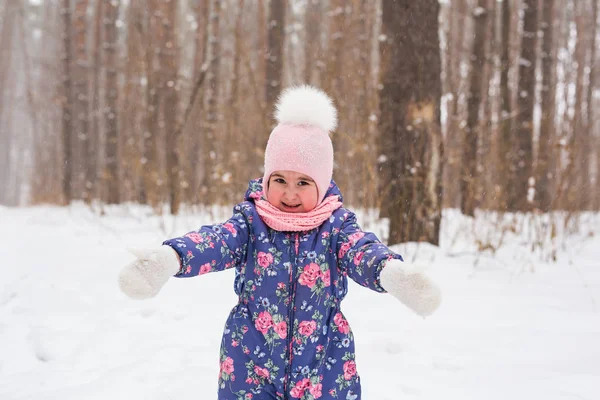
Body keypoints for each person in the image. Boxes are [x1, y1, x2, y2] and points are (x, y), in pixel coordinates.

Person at [119, 85, 442, 400]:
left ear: (322, 183)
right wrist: (170, 258)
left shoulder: (336, 227)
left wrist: (393, 275)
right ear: (266, 178)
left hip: (324, 363)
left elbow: (362, 252)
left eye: (303, 182)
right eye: (280, 180)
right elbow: (214, 242)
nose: (289, 194)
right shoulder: (250, 223)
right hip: (250, 360)